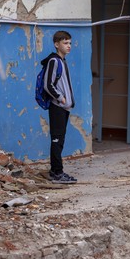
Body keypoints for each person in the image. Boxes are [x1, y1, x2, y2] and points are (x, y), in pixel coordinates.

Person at [41, 30, 77, 183]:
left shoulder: (63, 61)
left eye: (69, 43)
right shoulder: (54, 61)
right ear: (57, 44)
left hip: (64, 108)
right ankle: (57, 173)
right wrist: (60, 98)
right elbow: (47, 84)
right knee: (56, 139)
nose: (69, 46)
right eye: (65, 43)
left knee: (60, 140)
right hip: (57, 107)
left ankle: (56, 171)